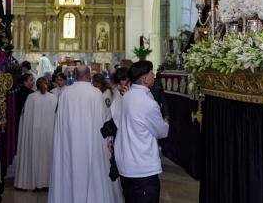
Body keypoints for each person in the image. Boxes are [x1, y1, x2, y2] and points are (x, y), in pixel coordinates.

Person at [48, 65, 117, 203]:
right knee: (92, 175)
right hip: (91, 144)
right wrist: (108, 140)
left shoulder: (66, 93)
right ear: (89, 75)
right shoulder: (95, 93)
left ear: (74, 75)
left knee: (70, 171)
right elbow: (103, 120)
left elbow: (60, 121)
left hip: (70, 142)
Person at [114, 61, 169, 203]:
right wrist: (166, 122)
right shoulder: (147, 103)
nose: (154, 76)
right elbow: (162, 132)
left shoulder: (127, 96)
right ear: (144, 79)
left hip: (127, 165)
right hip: (142, 168)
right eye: (152, 73)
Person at [14, 78, 57, 191]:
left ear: (36, 85)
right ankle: (45, 182)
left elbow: (25, 117)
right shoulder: (53, 98)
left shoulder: (31, 98)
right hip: (48, 133)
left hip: (33, 132)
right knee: (46, 157)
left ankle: (31, 180)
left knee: (33, 155)